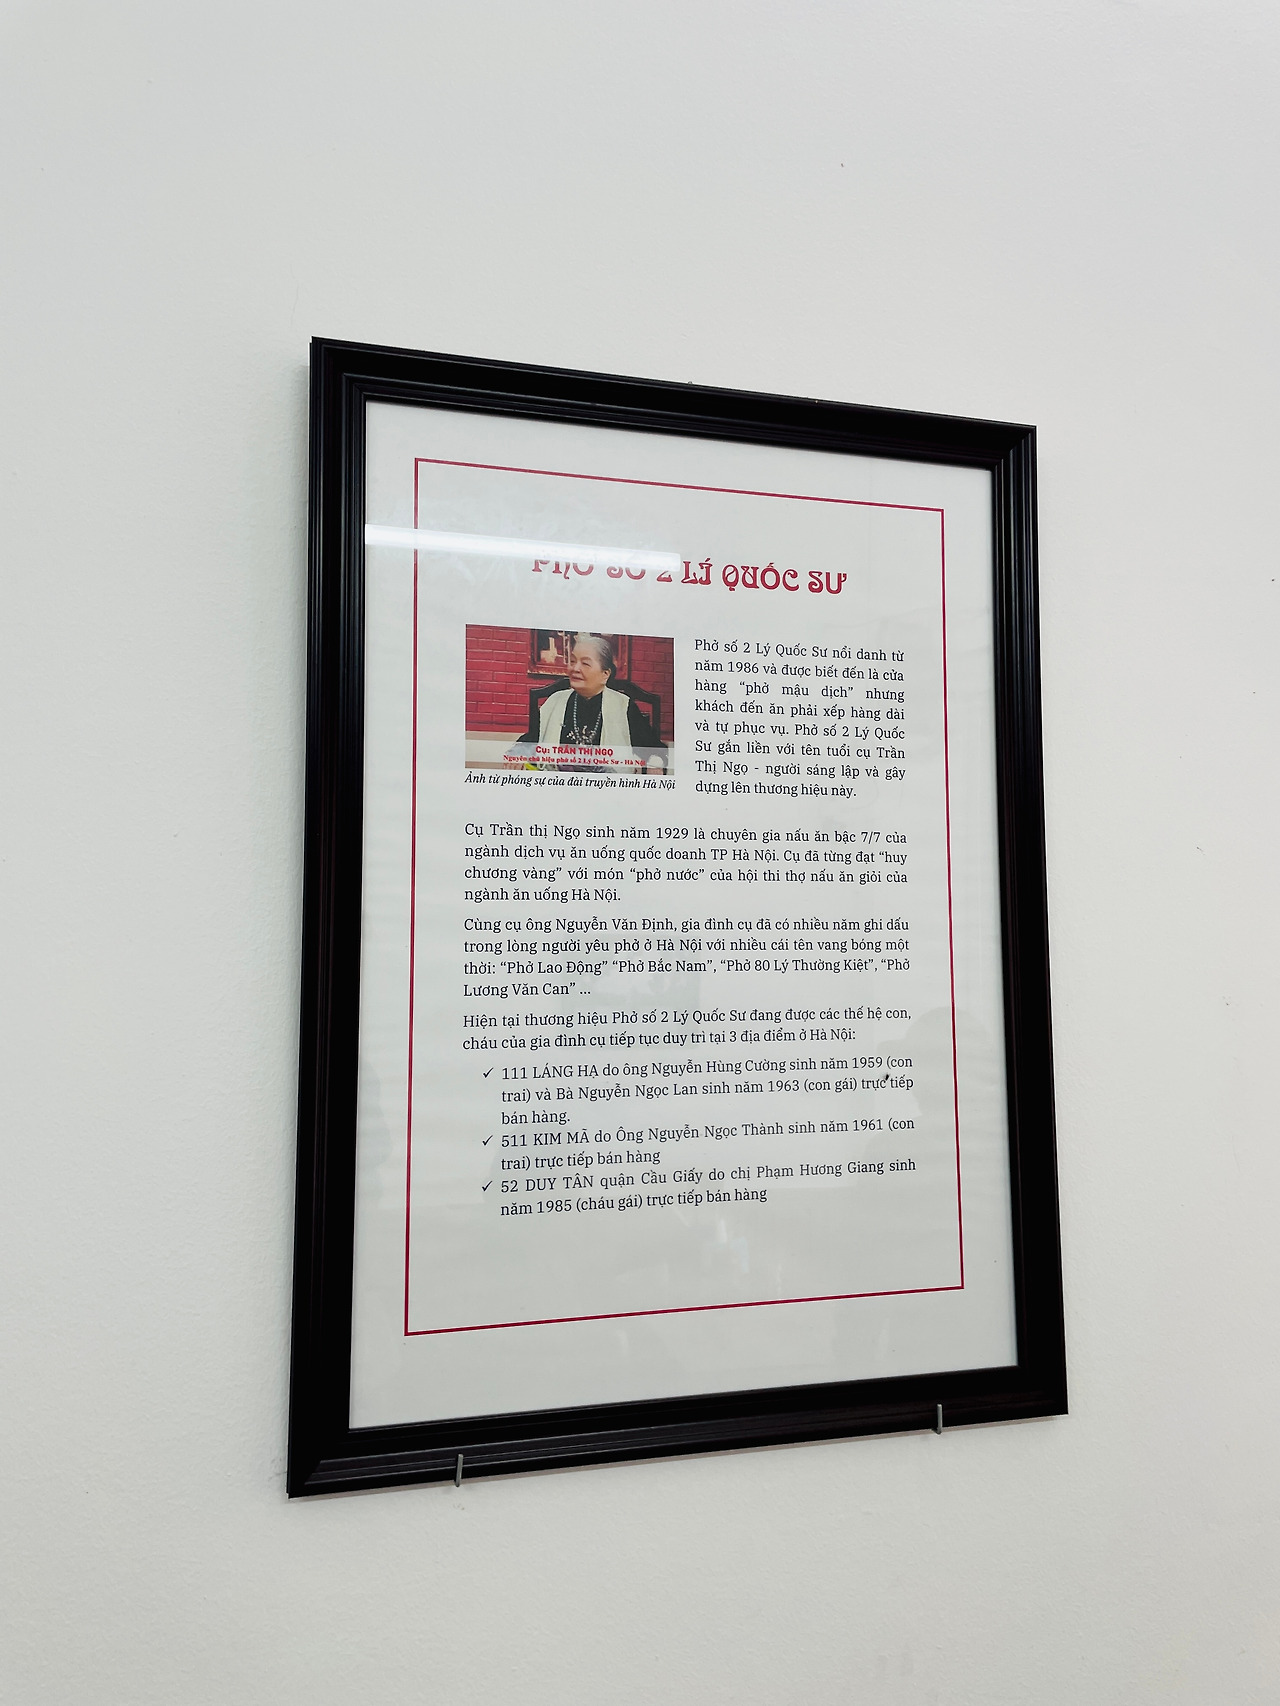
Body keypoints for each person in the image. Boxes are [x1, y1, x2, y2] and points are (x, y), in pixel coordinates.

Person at [507, 633, 667, 773]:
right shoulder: (555, 701)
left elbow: (654, 749)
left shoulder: (623, 706)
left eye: (585, 663)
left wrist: (655, 764)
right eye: (572, 661)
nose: (575, 668)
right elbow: (531, 740)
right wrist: (518, 753)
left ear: (605, 674)